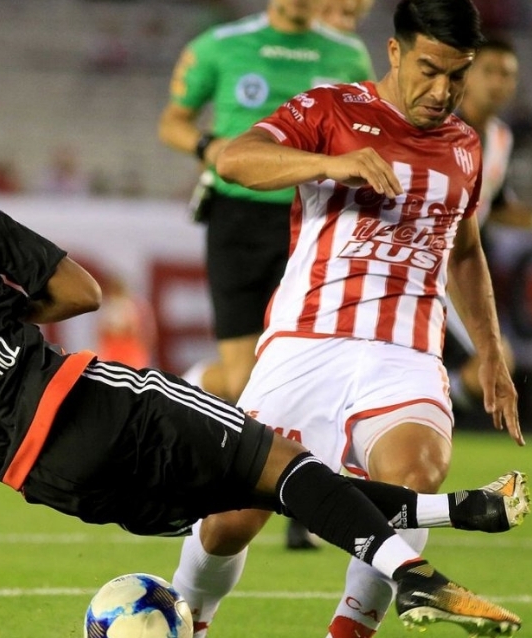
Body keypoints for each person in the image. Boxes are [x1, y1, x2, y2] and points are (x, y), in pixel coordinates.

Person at [0, 149, 528, 637]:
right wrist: (9, 318)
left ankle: (458, 512)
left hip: (40, 475)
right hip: (87, 400)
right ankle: (412, 575)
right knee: (281, 463)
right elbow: (80, 294)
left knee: (256, 490)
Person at [169, 2, 527, 637]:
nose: (442, 91)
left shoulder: (465, 146)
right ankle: (188, 616)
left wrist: (491, 351)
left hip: (406, 354)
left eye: (457, 76)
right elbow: (234, 160)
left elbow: (465, 251)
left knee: (412, 480)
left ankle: (351, 629)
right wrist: (332, 164)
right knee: (230, 521)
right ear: (394, 52)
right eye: (429, 70)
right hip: (306, 342)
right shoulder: (331, 109)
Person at [158, 0, 375, 550]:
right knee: (242, 382)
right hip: (237, 218)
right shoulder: (220, 46)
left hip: (314, 223)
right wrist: (208, 146)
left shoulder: (348, 55)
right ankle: (193, 389)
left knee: (313, 366)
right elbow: (172, 122)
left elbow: (369, 130)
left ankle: (306, 507)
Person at [445, 37, 532, 411]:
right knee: (493, 362)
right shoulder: (440, 131)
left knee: (490, 365)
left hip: (462, 270)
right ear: (466, 75)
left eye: (507, 75)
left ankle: (427, 406)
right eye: (489, 71)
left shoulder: (500, 137)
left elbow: (494, 202)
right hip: (429, 268)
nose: (499, 82)